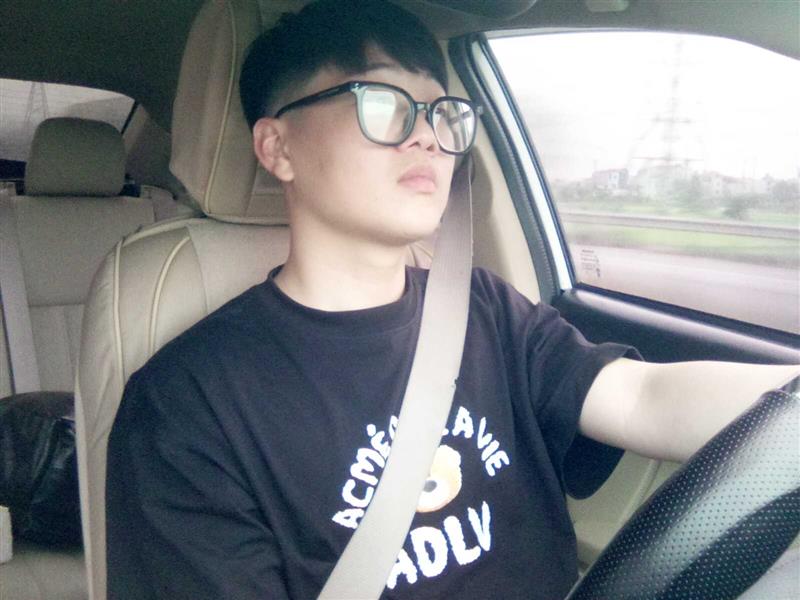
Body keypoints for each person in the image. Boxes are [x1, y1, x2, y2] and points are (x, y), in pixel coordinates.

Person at [104, 1, 799, 598]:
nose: (428, 138)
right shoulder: (185, 405)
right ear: (277, 147)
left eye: (444, 114)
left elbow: (643, 397)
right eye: (383, 105)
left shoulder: (484, 309)